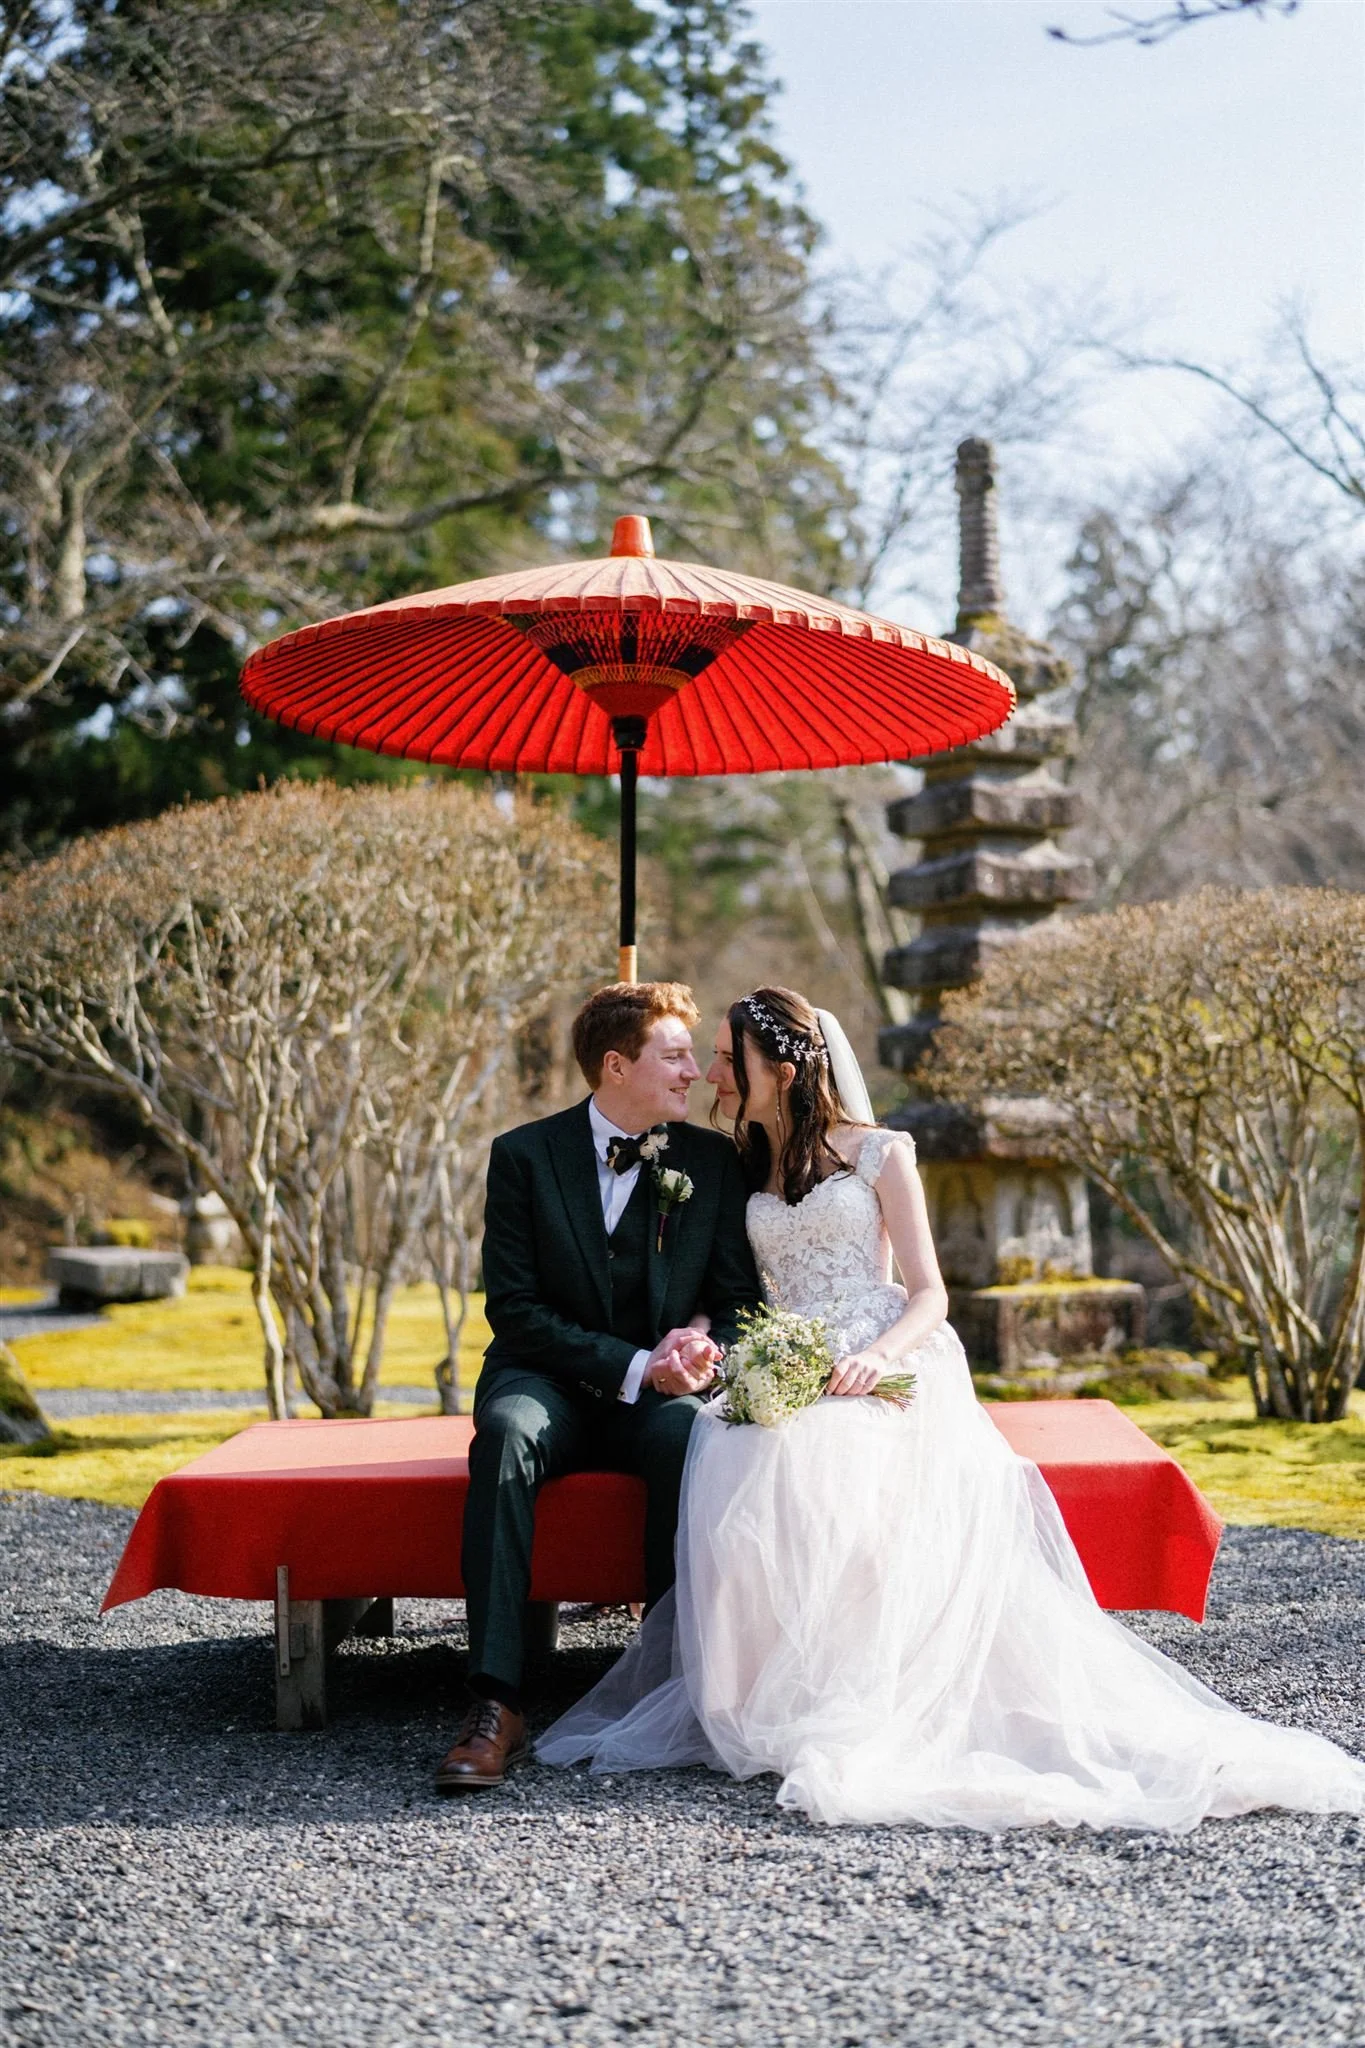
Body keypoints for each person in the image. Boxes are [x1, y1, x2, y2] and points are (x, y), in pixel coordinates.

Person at [538, 986, 1365, 1831]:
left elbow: (929, 1294)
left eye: (727, 1058)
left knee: (817, 1452)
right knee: (732, 1448)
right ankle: (766, 1695)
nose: (713, 1073)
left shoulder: (881, 1153)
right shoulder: (739, 1161)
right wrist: (705, 1338)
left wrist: (875, 1357)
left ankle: (871, 1690)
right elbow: (725, 1285)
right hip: (786, 1352)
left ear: (781, 1071)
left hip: (887, 1348)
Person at [435, 981, 760, 1792]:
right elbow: (514, 1311)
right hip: (544, 1379)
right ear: (616, 1066)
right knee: (505, 1434)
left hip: (661, 1395)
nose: (694, 1073)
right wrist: (635, 1364)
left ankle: (669, 1684)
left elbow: (736, 1302)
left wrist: (701, 1346)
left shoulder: (711, 1162)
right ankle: (495, 1701)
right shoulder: (523, 1156)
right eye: (674, 1056)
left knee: (687, 1436)